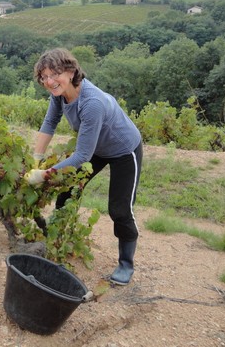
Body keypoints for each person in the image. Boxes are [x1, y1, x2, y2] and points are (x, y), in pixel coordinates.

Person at [25, 48, 143, 285]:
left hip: (123, 149)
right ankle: (59, 241)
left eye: (54, 74)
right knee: (67, 192)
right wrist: (36, 158)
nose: (49, 81)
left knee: (119, 209)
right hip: (96, 147)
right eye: (43, 77)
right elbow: (50, 122)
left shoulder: (91, 103)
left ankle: (126, 264)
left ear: (70, 72)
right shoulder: (59, 94)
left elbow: (81, 156)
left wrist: (44, 174)